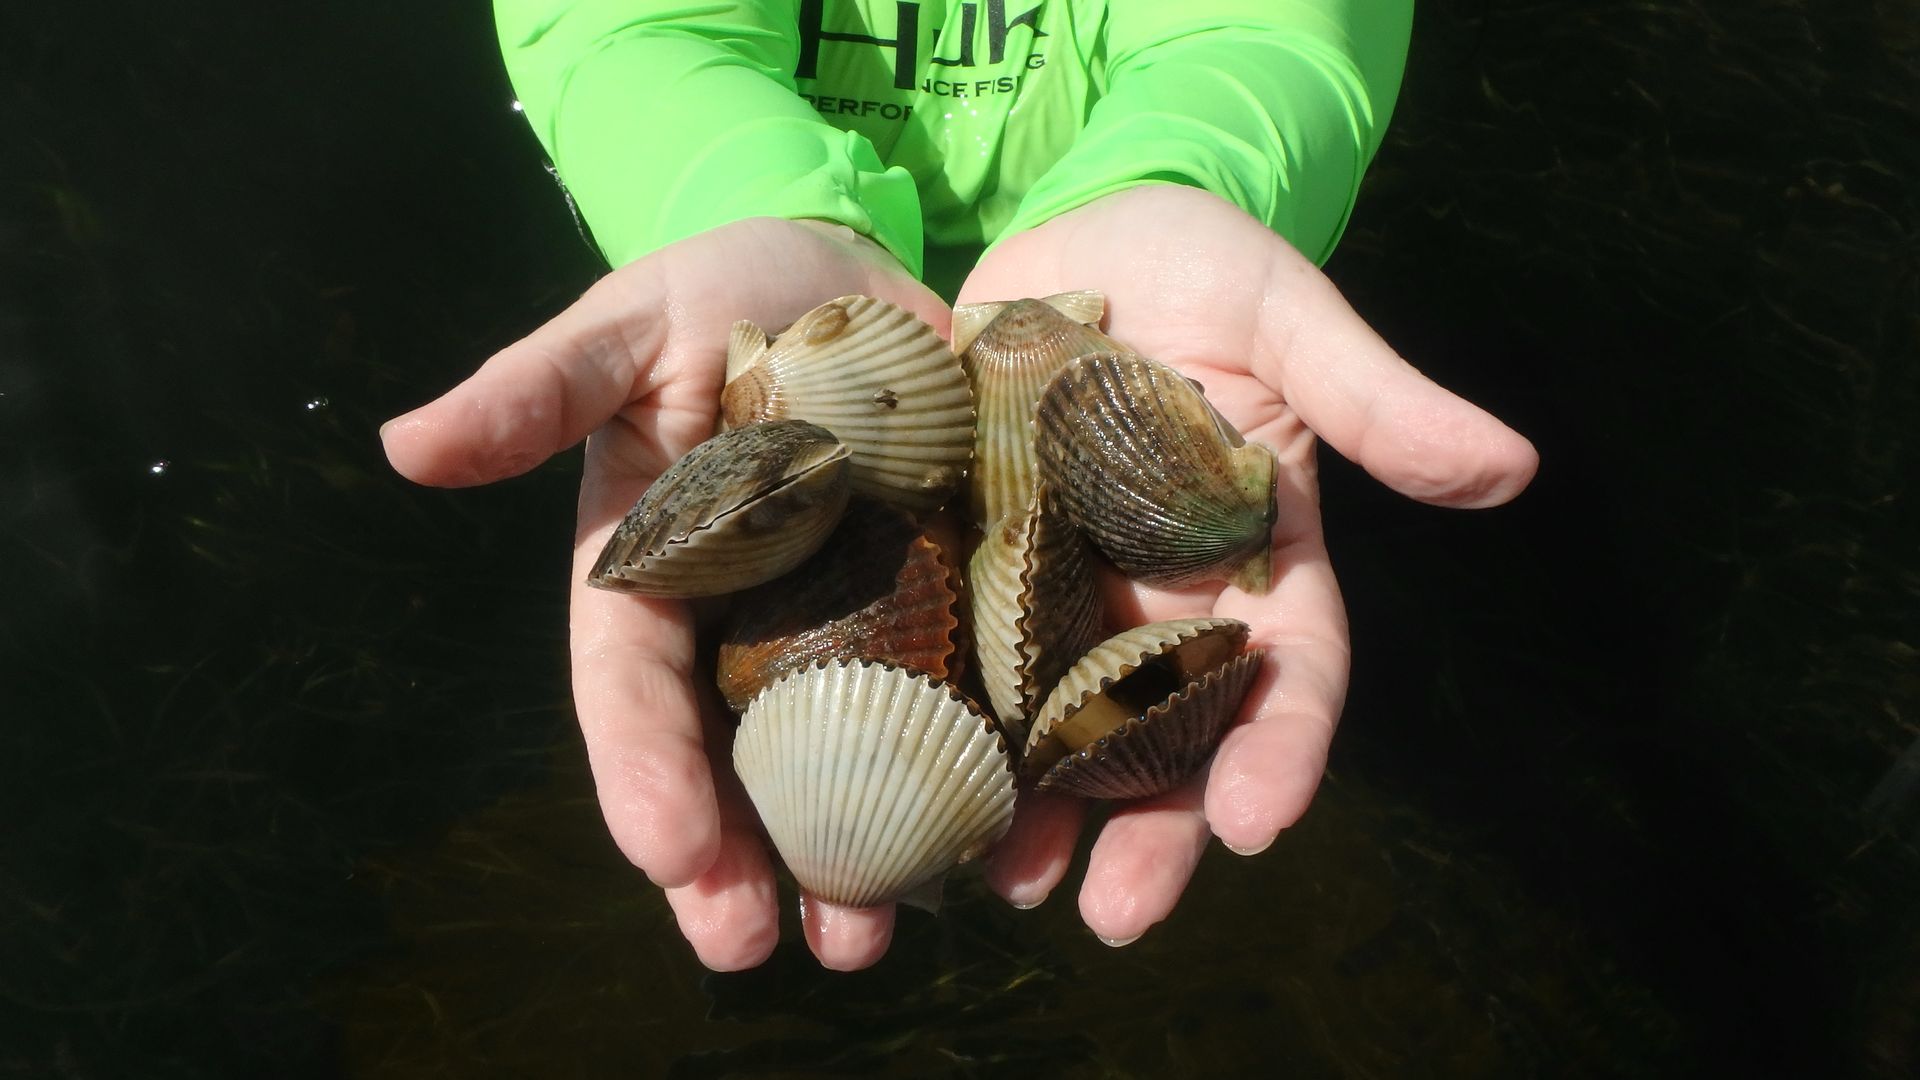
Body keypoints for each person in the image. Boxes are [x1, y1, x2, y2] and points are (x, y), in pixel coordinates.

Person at [381, 0, 1538, 972]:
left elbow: (1264, 31)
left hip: (1105, 245)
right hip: (796, 249)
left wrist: (1199, 170)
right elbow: (631, 28)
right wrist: (734, 196)